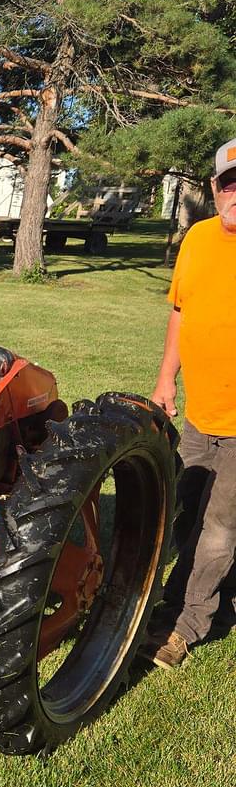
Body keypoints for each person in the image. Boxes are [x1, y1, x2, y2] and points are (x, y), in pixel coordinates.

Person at [145, 138, 236, 668]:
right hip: (201, 414)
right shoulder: (198, 240)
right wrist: (166, 381)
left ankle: (183, 624)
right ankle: (203, 598)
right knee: (185, 515)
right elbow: (181, 312)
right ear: (214, 188)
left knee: (220, 531)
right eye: (230, 182)